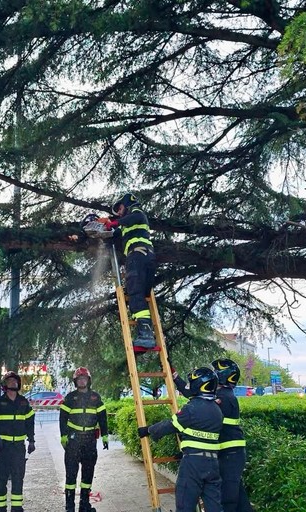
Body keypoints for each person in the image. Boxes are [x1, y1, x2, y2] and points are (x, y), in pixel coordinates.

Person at [172, 359, 255, 512]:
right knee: (239, 498)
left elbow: (197, 405)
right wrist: (176, 377)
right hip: (230, 453)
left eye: (215, 373)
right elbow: (193, 393)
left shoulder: (222, 397)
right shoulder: (223, 395)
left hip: (229, 454)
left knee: (227, 500)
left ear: (222, 376)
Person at [138, 367, 223, 512]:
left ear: (198, 386)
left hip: (193, 464)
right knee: (214, 506)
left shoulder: (192, 408)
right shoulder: (217, 410)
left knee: (185, 503)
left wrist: (149, 430)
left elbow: (171, 425)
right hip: (213, 464)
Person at [100, 192, 157, 351]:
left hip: (137, 255)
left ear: (127, 204)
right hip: (148, 257)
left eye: (119, 208)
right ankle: (146, 332)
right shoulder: (128, 226)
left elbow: (133, 218)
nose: (118, 213)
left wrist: (113, 222)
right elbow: (114, 234)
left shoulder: (136, 212)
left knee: (135, 293)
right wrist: (105, 233)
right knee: (141, 294)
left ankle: (145, 334)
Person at [0, 371, 36, 512]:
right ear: (4, 385)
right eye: (10, 381)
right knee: (1, 480)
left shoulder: (23, 403)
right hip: (3, 448)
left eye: (15, 381)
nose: (13, 383)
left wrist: (31, 440)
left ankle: (17, 508)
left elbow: (30, 423)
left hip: (18, 448)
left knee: (18, 478)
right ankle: (0, 509)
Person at [60, 367, 108, 512]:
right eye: (79, 379)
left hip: (89, 440)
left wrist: (105, 436)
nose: (82, 381)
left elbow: (102, 418)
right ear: (75, 381)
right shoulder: (70, 398)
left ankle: (84, 505)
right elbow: (62, 418)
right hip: (73, 440)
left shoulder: (95, 397)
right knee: (71, 474)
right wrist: (63, 436)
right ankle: (69, 507)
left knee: (88, 474)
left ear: (88, 380)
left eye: (84, 378)